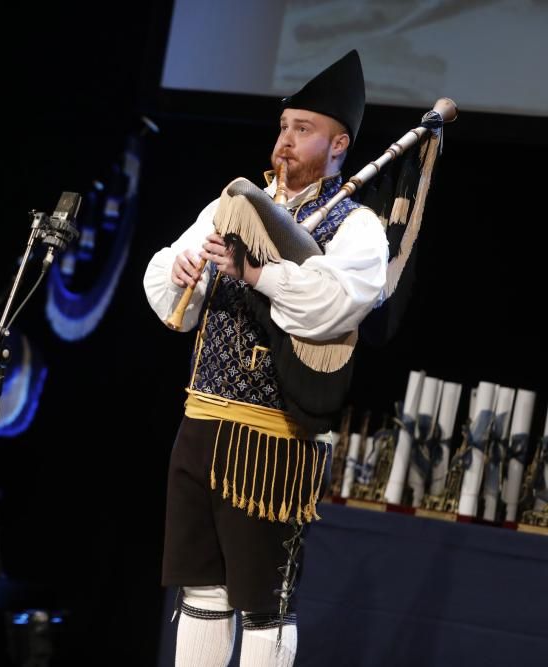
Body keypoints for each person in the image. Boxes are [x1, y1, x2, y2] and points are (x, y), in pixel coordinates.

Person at [143, 50, 387, 667]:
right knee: (201, 590)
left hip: (274, 441)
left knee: (263, 604)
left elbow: (335, 306)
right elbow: (169, 288)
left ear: (338, 145)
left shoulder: (357, 227)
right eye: (284, 127)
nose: (285, 141)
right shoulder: (234, 202)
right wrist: (180, 272)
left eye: (302, 130)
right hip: (201, 424)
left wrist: (258, 274)